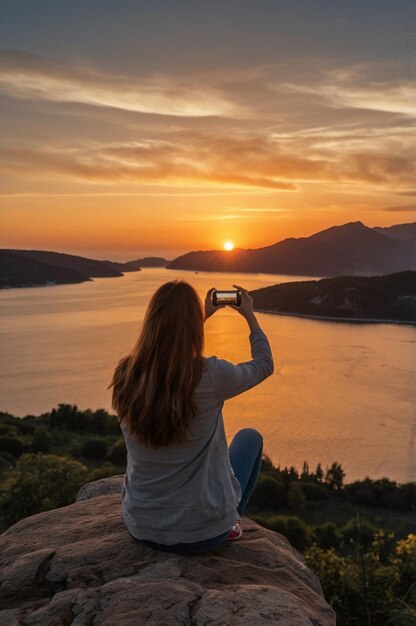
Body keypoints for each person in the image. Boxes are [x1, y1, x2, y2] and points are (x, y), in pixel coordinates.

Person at [110, 281, 274, 555]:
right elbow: (264, 364)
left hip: (142, 527)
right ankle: (230, 522)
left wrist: (202, 317)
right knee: (249, 438)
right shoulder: (211, 375)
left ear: (151, 320)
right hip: (203, 534)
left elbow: (168, 358)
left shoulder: (126, 373)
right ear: (192, 326)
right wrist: (250, 316)